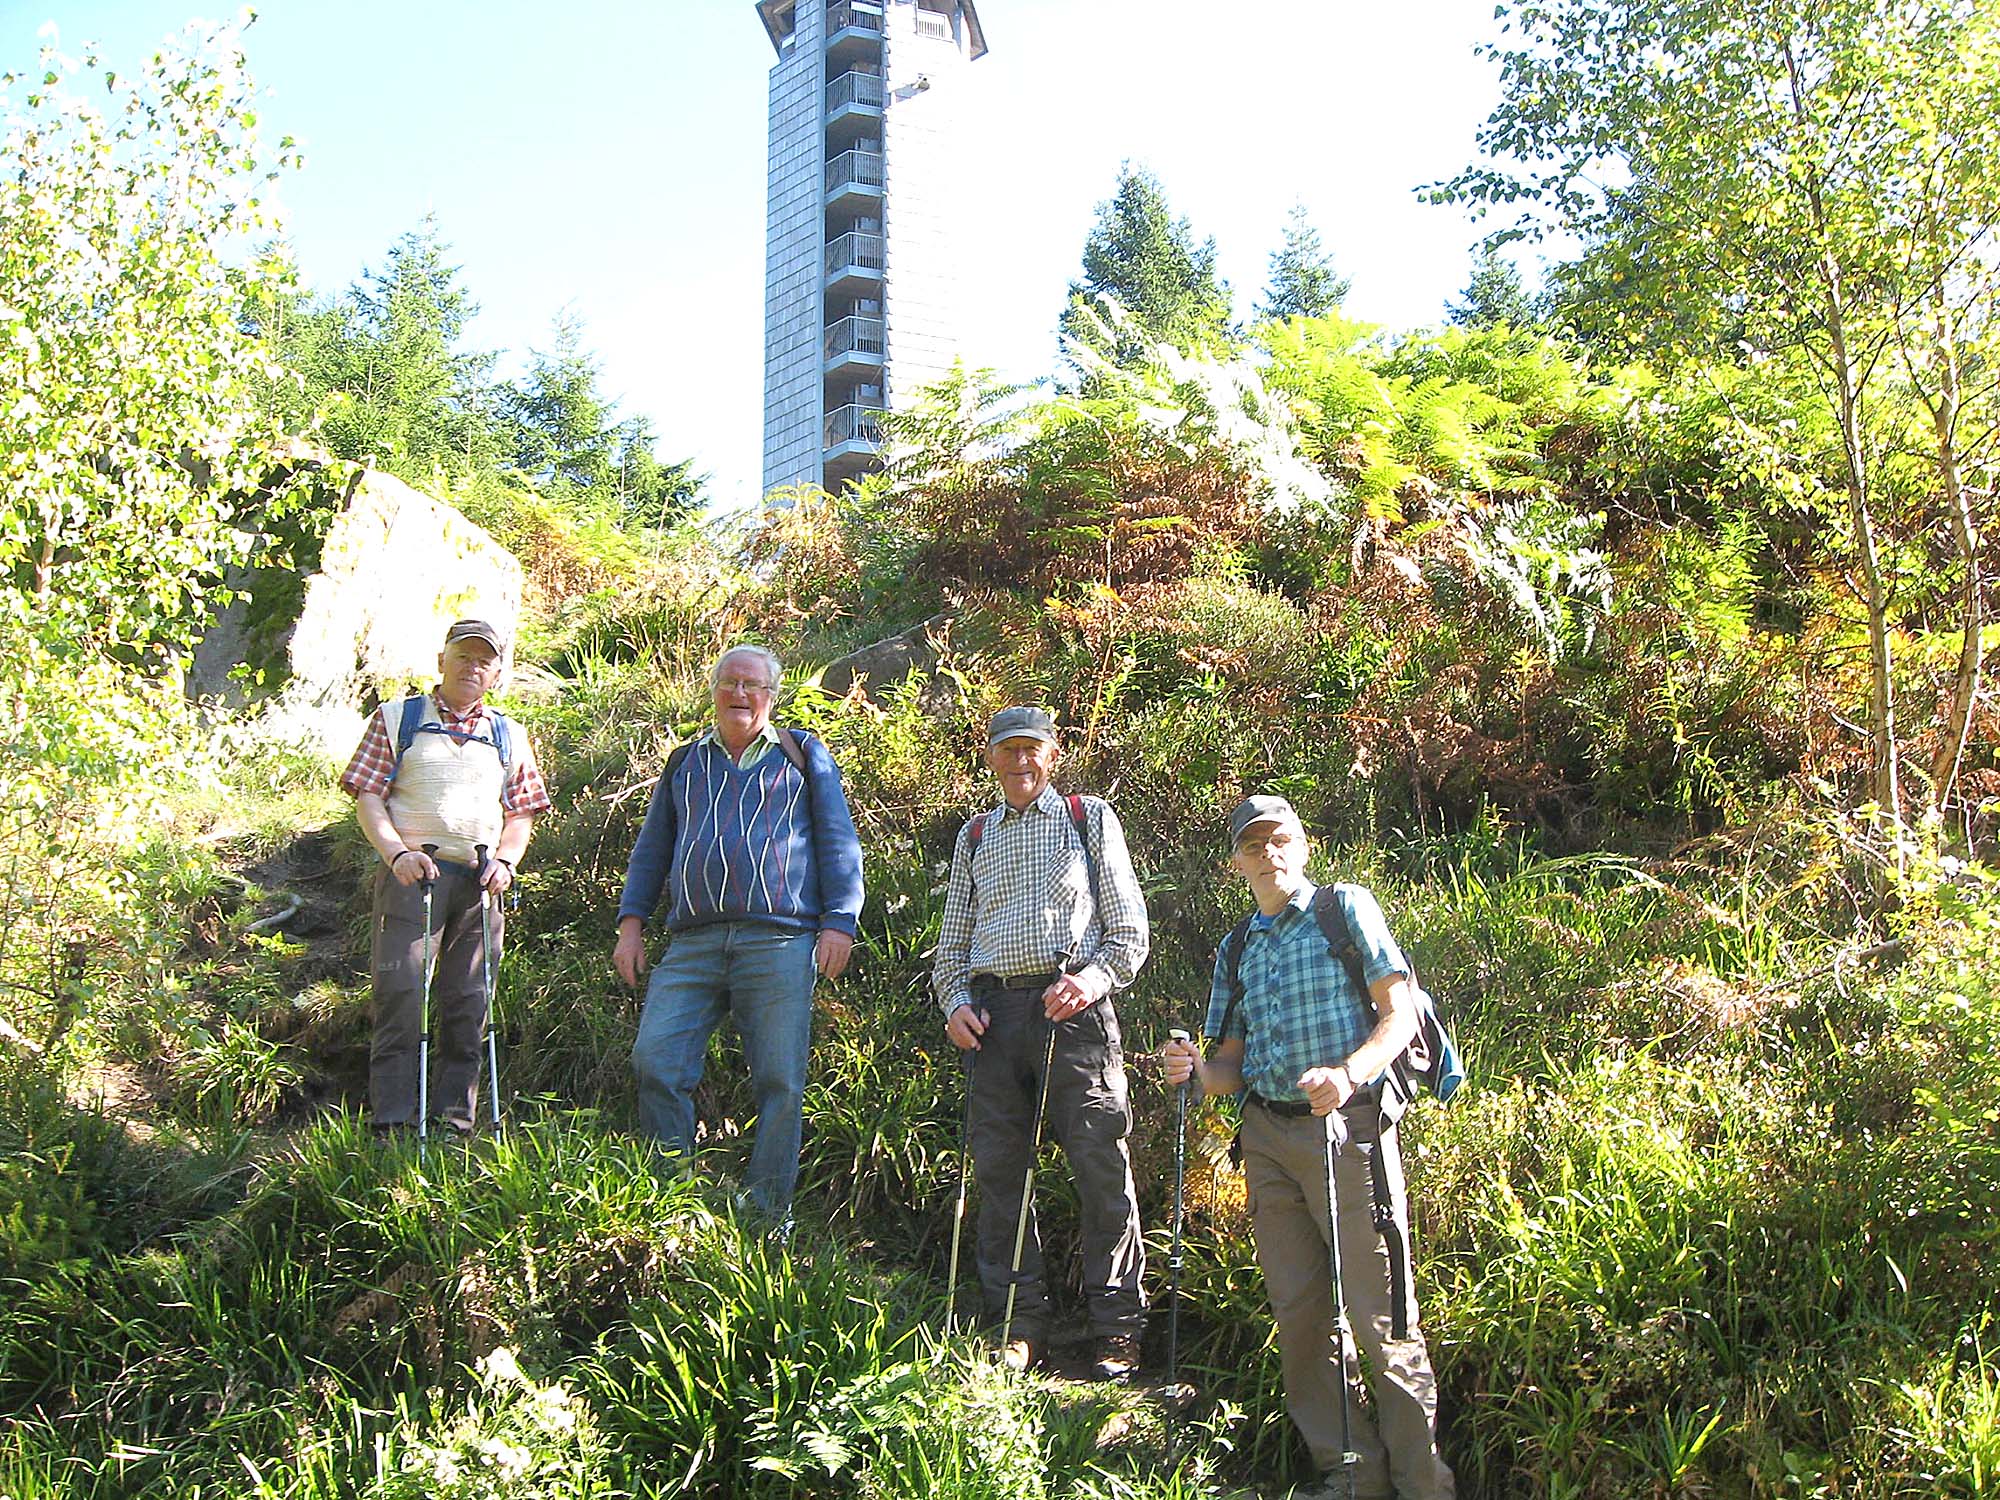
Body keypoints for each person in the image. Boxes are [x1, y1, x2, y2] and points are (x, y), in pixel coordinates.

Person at [1162, 796, 1455, 1500]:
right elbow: (1230, 1065)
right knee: (1299, 1318)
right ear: (1236, 862)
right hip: (1266, 1138)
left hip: (1350, 1129)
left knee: (1381, 1319)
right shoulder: (1237, 947)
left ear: (1305, 845)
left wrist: (1349, 1072)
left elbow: (1400, 1011)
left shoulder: (1344, 909)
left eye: (1281, 837)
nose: (1269, 851)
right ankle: (1351, 1476)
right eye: (1254, 843)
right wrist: (1193, 1071)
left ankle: (1422, 1486)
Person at [934, 706, 1151, 1380]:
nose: (1020, 762)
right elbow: (951, 949)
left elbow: (1129, 932)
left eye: (1033, 749)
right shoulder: (974, 835)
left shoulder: (1088, 819)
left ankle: (1116, 1328)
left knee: (1099, 1165)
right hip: (993, 1018)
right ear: (991, 758)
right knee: (1000, 1174)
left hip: (1074, 1011)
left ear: (1053, 756)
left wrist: (1089, 981)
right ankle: (1017, 1328)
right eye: (1008, 751)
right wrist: (955, 1004)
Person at [613, 643, 864, 1225]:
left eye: (753, 686)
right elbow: (652, 851)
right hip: (691, 944)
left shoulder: (803, 756)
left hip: (780, 941)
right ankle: (668, 1200)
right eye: (730, 682)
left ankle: (765, 1215)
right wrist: (631, 926)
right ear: (714, 690)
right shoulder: (684, 763)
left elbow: (837, 840)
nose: (741, 695)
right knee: (655, 1060)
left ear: (771, 697)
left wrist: (839, 923)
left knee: (779, 1078)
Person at [341, 618, 551, 1134]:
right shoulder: (398, 718)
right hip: (412, 878)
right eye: (463, 655)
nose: (472, 666)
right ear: (442, 659)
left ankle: (455, 1127)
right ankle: (392, 1127)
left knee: (468, 1006)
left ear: (497, 671)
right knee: (402, 998)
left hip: (481, 885)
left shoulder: (508, 734)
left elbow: (522, 811)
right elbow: (368, 795)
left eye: (484, 659)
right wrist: (395, 855)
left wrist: (506, 861)